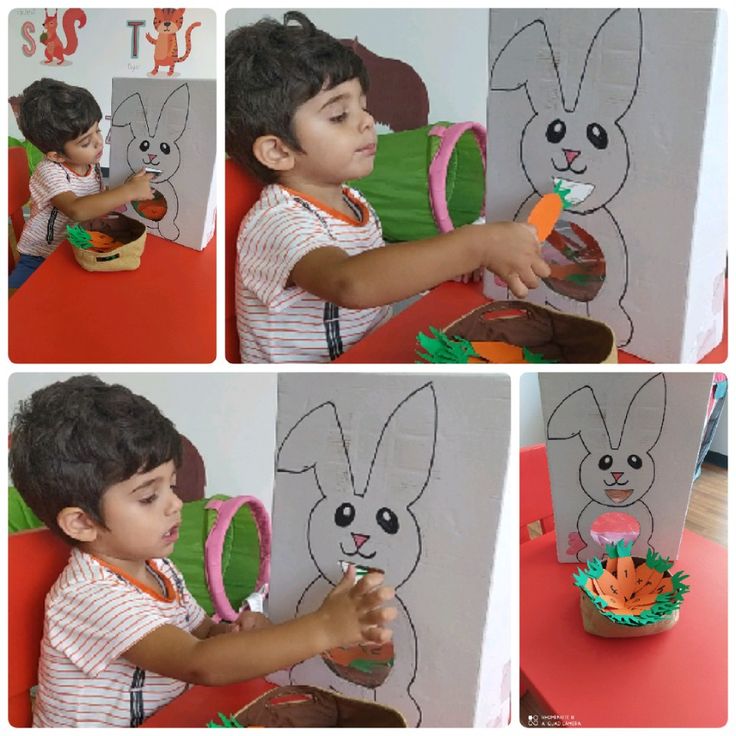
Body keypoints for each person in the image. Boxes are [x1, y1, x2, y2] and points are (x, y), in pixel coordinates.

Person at [9, 376, 396, 728]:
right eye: (148, 497)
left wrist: (236, 634)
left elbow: (202, 635)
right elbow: (199, 663)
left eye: (172, 486)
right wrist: (326, 626)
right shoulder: (89, 595)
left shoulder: (157, 567)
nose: (175, 505)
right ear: (81, 523)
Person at [225, 11, 551, 362]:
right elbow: (350, 283)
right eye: (339, 116)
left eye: (363, 107)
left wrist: (450, 264)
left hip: (371, 357)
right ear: (278, 151)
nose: (366, 122)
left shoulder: (353, 201)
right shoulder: (278, 221)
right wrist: (474, 246)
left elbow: (383, 270)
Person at [9, 78, 155, 290]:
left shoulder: (89, 162)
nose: (98, 142)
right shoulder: (50, 171)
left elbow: (95, 199)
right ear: (57, 156)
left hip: (75, 246)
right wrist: (129, 191)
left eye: (98, 130)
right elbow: (76, 209)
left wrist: (125, 188)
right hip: (41, 256)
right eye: (85, 142)